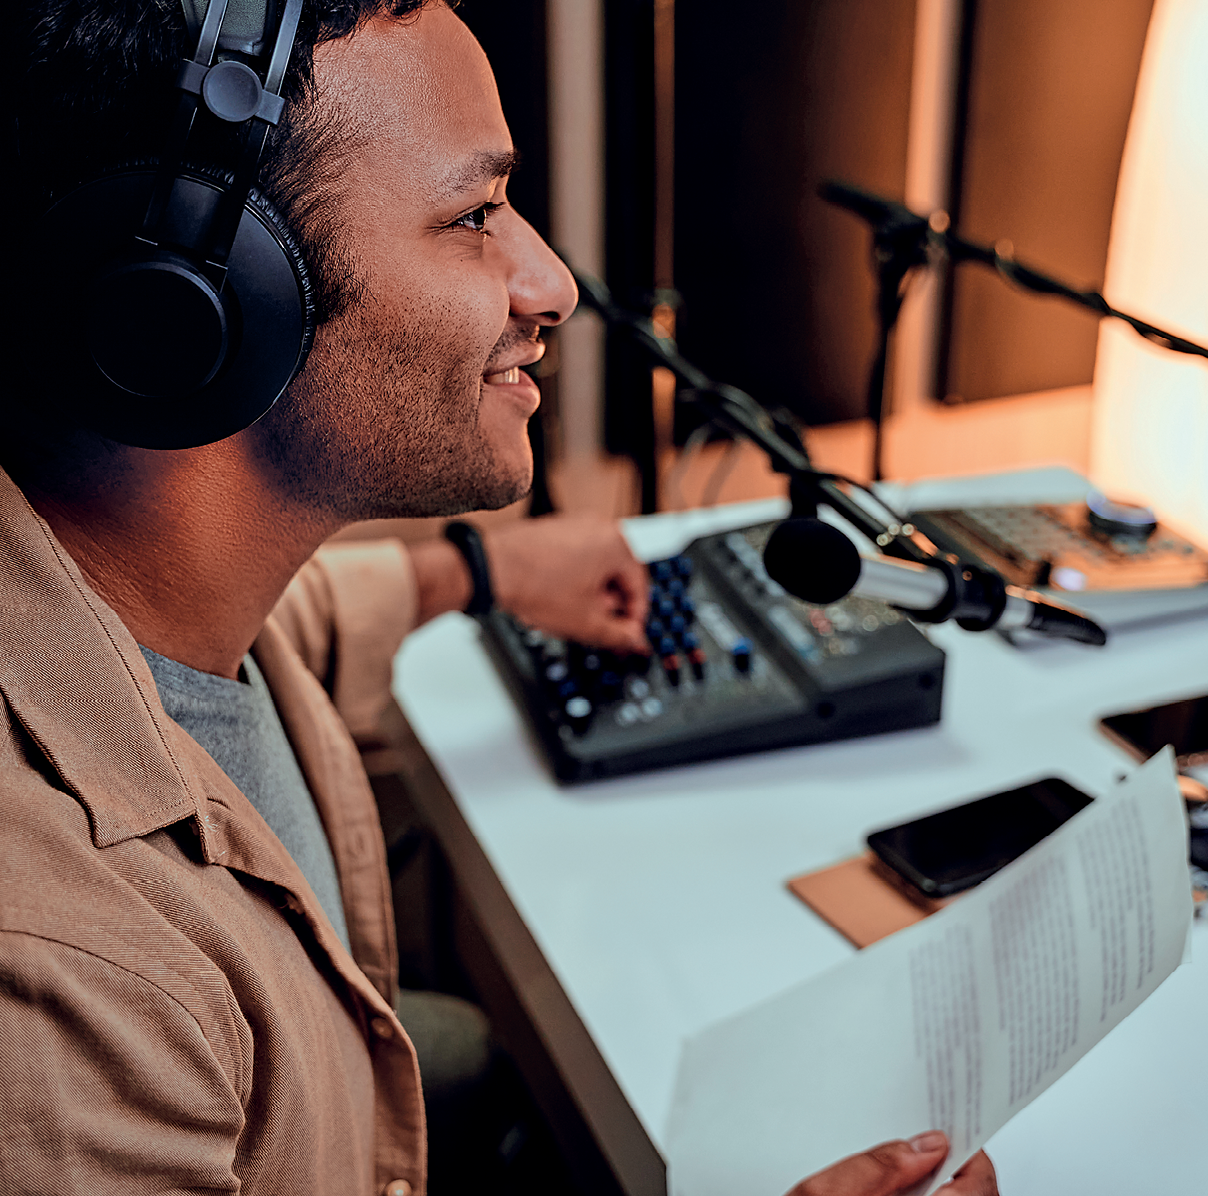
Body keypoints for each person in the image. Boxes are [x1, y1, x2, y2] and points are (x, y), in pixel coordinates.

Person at [2, 2, 997, 1193]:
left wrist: (482, 571)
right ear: (198, 308)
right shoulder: (70, 988)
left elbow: (297, 628)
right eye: (473, 215)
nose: (552, 282)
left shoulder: (154, 597)